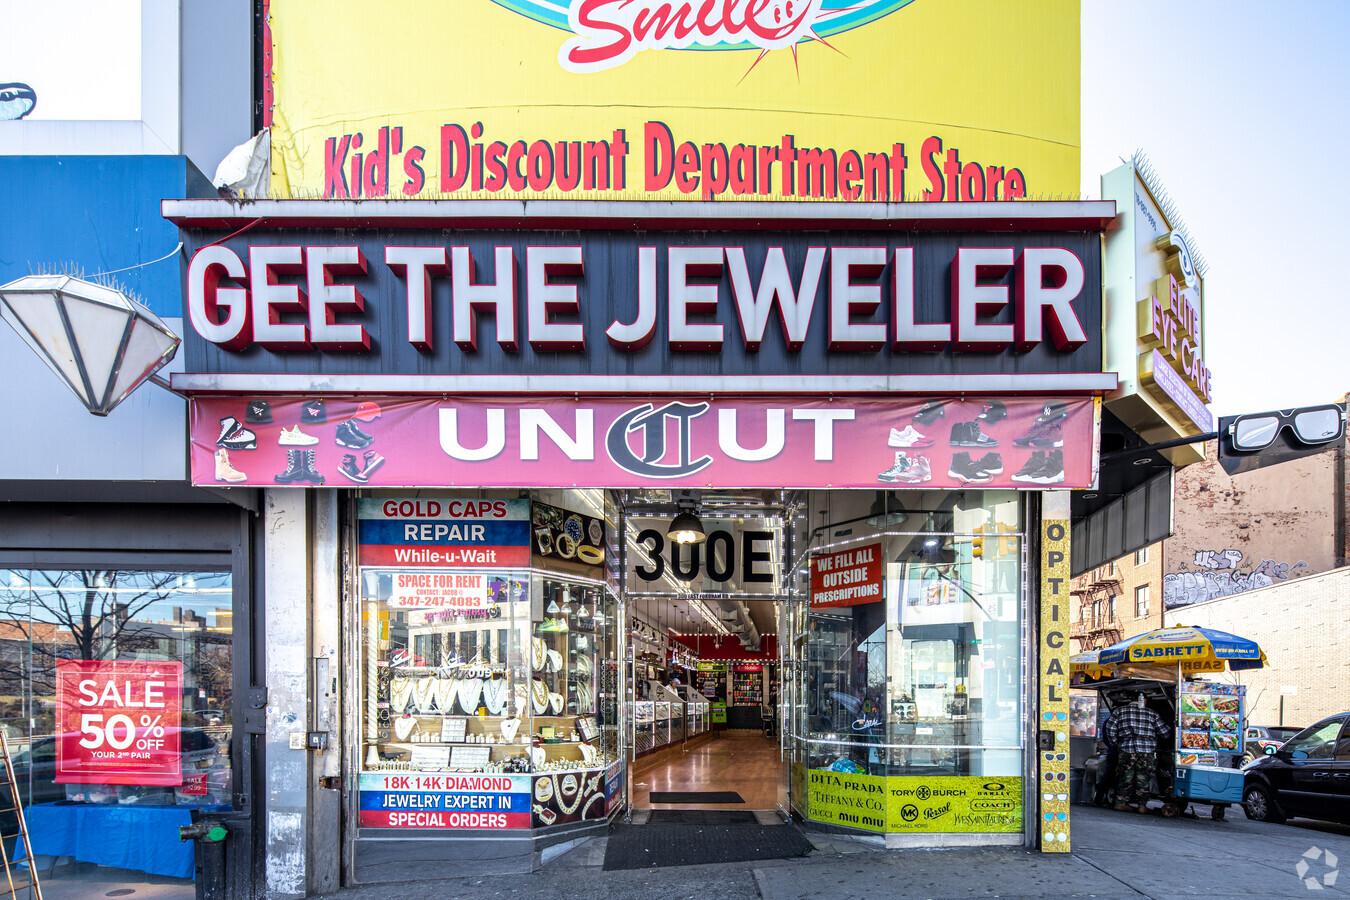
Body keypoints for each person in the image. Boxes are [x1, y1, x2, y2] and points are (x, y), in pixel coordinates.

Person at [1104, 693, 1170, 813]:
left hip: (1126, 749)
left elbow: (1110, 728)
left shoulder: (1120, 711)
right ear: (1144, 701)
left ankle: (1121, 802)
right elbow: (1164, 733)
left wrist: (1116, 743)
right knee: (1143, 777)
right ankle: (1142, 805)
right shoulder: (1152, 713)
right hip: (1146, 751)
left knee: (1125, 775)